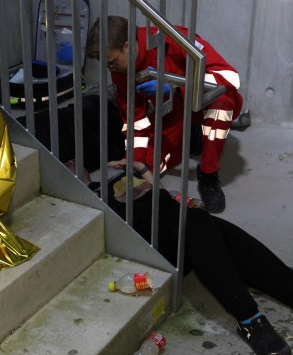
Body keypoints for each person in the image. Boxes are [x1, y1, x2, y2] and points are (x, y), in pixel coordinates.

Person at [106, 162, 293, 355]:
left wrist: (143, 170)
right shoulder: (96, 197)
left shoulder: (133, 180)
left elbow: (159, 194)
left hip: (187, 227)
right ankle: (250, 321)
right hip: (161, 250)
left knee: (270, 271)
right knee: (197, 220)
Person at [86, 16, 244, 214]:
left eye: (112, 62)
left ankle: (209, 173)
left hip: (203, 101)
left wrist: (175, 84)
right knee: (148, 171)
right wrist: (134, 161)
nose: (111, 69)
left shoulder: (174, 39)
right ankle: (193, 134)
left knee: (222, 103)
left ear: (126, 45)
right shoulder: (120, 69)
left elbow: (229, 78)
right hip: (172, 113)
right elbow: (135, 119)